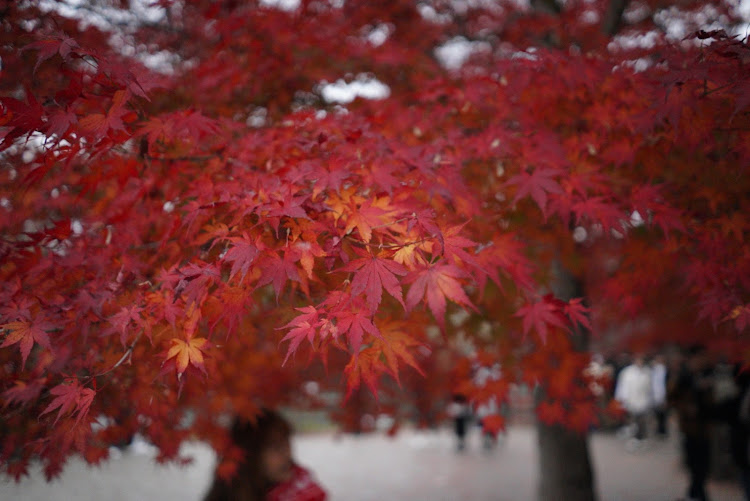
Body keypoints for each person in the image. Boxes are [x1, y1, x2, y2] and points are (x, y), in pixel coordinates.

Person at [203, 409, 327, 501]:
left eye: (287, 443)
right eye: (275, 447)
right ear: (250, 455)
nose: (287, 454)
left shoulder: (304, 487)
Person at [668, 345, 715, 501]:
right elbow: (671, 398)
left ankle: (697, 491)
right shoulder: (683, 376)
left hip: (705, 425)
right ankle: (696, 491)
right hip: (690, 427)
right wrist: (685, 408)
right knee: (694, 461)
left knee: (704, 462)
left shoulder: (708, 374)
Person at [614, 353, 653, 445]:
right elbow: (622, 386)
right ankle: (635, 437)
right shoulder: (627, 372)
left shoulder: (647, 372)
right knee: (633, 420)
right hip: (631, 400)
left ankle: (641, 437)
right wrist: (621, 399)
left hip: (643, 400)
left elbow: (650, 388)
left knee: (642, 420)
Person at [651, 353, 669, 438]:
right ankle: (659, 429)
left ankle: (663, 430)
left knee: (663, 414)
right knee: (657, 414)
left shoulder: (665, 370)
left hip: (663, 394)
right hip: (656, 395)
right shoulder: (654, 370)